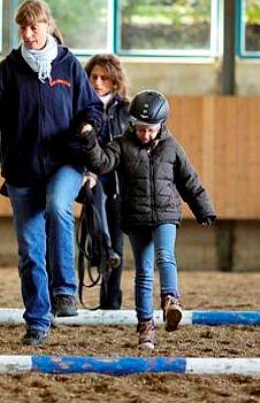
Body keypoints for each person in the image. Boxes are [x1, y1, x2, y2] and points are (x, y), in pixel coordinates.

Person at [0, 0, 103, 347]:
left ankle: (64, 291)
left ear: (47, 25)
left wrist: (89, 125)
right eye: (23, 28)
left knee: (59, 206)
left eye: (34, 27)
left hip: (65, 162)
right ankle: (37, 321)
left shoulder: (68, 65)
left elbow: (92, 106)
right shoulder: (11, 68)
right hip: (23, 169)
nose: (28, 34)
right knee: (30, 250)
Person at [78, 89, 216, 350]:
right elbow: (102, 163)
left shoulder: (172, 147)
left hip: (166, 213)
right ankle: (145, 328)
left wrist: (203, 209)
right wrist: (89, 143)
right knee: (143, 272)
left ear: (161, 125)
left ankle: (171, 300)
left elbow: (189, 180)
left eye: (150, 129)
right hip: (136, 216)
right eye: (140, 129)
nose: (145, 134)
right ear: (133, 124)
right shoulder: (121, 144)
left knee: (165, 256)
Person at [83, 54, 132, 310]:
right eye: (94, 77)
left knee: (118, 240)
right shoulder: (79, 107)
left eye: (104, 78)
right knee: (98, 225)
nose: (98, 82)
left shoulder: (127, 110)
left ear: (114, 81)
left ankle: (111, 301)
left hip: (119, 179)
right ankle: (101, 251)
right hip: (90, 177)